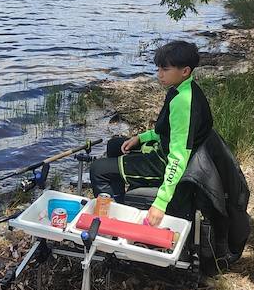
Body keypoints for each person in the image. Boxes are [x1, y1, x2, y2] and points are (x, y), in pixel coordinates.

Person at [89, 40, 213, 227]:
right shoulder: (182, 89)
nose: (159, 75)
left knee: (98, 170)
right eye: (158, 69)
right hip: (165, 151)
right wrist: (141, 137)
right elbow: (166, 131)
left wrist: (161, 203)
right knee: (115, 146)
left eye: (165, 70)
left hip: (168, 164)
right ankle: (121, 201)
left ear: (185, 71)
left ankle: (114, 223)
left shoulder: (183, 102)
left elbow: (179, 155)